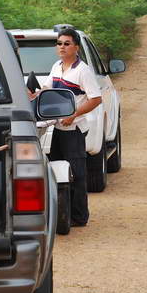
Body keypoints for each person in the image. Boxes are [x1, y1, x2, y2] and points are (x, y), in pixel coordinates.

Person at [44, 27, 101, 227]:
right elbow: (48, 90)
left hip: (74, 130)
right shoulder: (56, 66)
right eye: (59, 43)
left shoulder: (82, 71)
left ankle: (79, 216)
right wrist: (34, 95)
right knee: (57, 172)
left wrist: (74, 114)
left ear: (76, 47)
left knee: (77, 174)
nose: (62, 47)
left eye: (67, 44)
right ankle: (62, 214)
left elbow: (96, 99)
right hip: (58, 128)